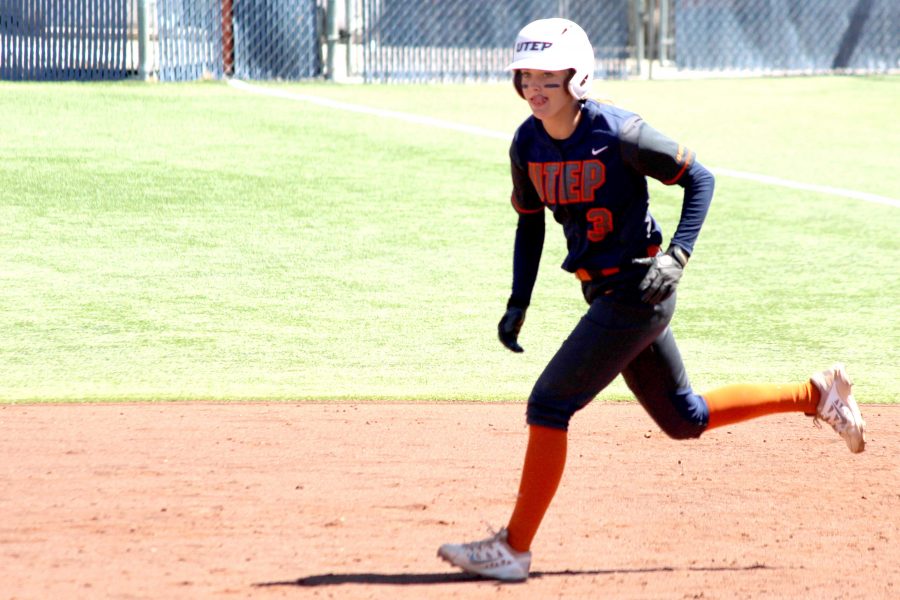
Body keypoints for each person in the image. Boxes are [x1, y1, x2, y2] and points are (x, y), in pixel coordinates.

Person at [437, 18, 866, 582]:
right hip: (607, 296)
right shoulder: (528, 141)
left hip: (638, 293)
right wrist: (519, 300)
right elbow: (529, 224)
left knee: (549, 405)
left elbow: (701, 179)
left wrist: (678, 256)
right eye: (525, 75)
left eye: (548, 75)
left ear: (578, 76)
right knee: (684, 418)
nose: (534, 86)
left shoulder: (620, 133)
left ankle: (514, 547)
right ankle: (814, 394)